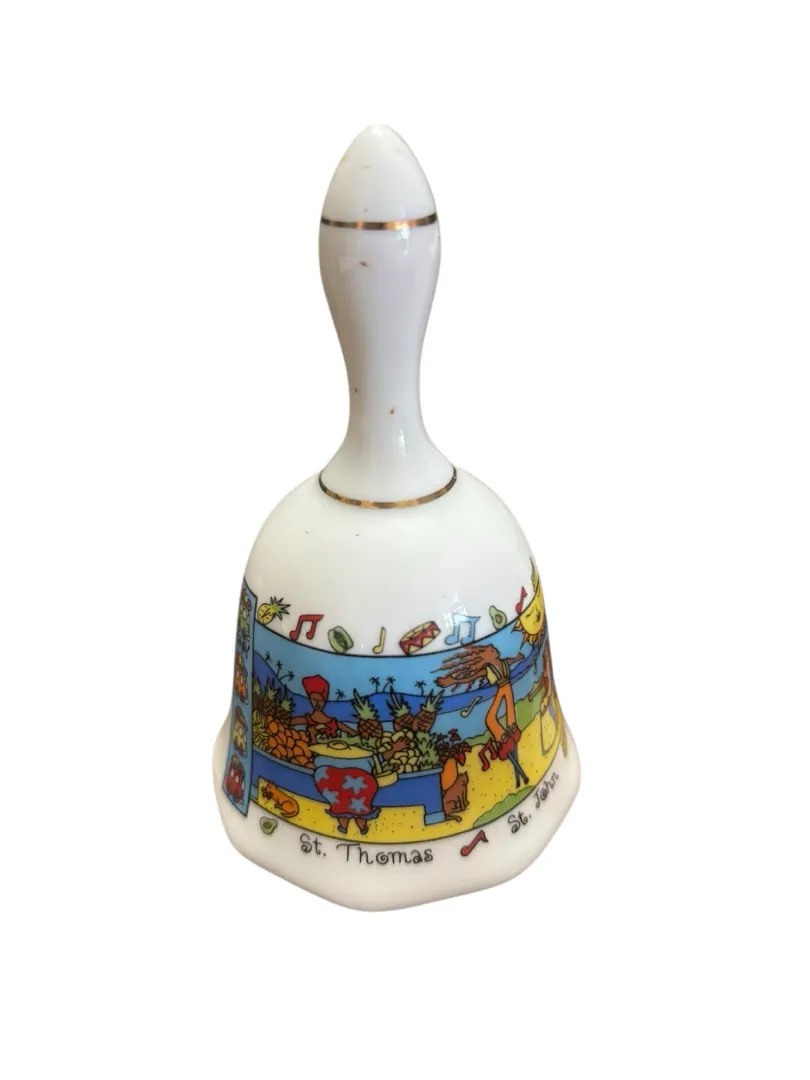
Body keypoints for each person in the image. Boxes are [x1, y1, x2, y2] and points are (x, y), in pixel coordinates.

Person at [297, 675, 354, 744]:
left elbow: (352, 732)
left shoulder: (334, 722)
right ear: (310, 700)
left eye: (321, 700)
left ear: (325, 701)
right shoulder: (307, 719)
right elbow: (288, 722)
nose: (317, 703)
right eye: (314, 699)